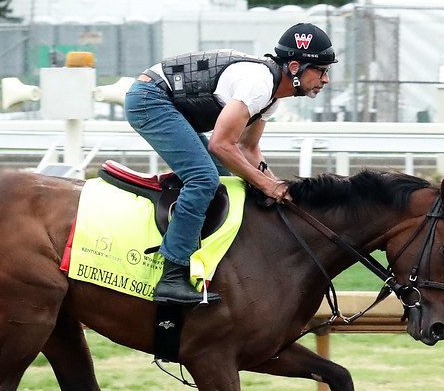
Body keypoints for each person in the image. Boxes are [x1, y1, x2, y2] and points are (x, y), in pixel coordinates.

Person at [124, 22, 338, 305]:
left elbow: (247, 149)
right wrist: (267, 186)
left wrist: (278, 189)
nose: (325, 80)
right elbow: (221, 145)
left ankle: (219, 263)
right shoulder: (259, 84)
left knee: (228, 179)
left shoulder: (271, 97)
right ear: (296, 67)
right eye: (321, 70)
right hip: (150, 99)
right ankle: (172, 274)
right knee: (204, 179)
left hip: (167, 101)